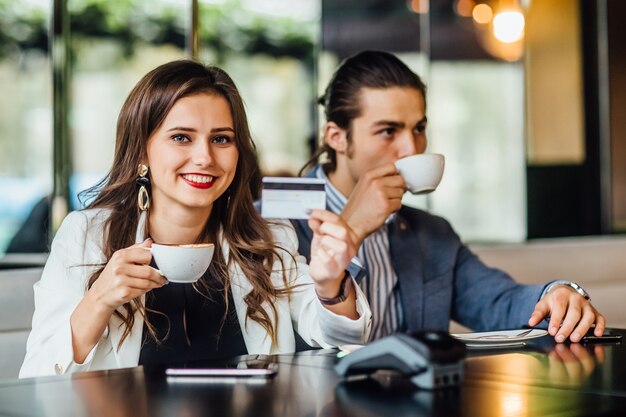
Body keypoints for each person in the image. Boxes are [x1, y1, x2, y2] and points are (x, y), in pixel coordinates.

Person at [20, 60, 371, 378]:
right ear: (142, 149)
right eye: (181, 138)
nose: (204, 157)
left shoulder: (268, 236)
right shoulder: (88, 235)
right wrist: (99, 299)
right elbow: (37, 376)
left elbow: (346, 336)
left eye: (221, 139)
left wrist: (331, 284)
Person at [293, 50, 605, 343]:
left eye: (419, 128)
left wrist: (556, 294)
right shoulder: (278, 228)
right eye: (389, 130)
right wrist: (352, 227)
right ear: (336, 138)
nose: (411, 149)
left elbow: (498, 301)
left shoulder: (430, 232)